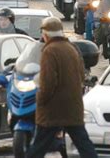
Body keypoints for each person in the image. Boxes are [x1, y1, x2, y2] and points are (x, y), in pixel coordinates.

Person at [26, 17, 98, 158]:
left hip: (53, 109)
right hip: (72, 107)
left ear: (45, 34)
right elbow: (81, 75)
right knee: (84, 144)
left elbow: (48, 82)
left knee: (38, 147)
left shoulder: (49, 51)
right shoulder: (72, 48)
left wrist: (40, 100)